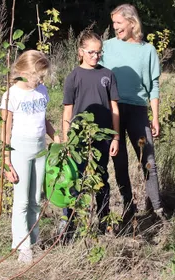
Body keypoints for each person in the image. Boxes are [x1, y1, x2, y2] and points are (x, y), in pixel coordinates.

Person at [101, 3, 164, 221]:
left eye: (119, 23)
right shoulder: (107, 47)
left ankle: (157, 209)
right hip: (114, 110)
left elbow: (153, 85)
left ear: (131, 22)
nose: (115, 27)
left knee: (148, 160)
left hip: (138, 109)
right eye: (113, 23)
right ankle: (128, 207)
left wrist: (155, 117)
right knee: (119, 161)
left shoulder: (147, 50)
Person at [1, 50, 58, 264]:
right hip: (20, 149)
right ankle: (22, 246)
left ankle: (33, 241)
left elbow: (44, 119)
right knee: (22, 200)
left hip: (40, 148)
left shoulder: (41, 91)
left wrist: (56, 137)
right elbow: (5, 128)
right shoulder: (11, 95)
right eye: (38, 76)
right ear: (24, 71)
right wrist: (7, 160)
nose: (41, 80)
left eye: (42, 76)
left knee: (36, 199)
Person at [60, 31, 121, 233]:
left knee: (102, 178)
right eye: (91, 52)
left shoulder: (108, 75)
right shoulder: (73, 77)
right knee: (74, 179)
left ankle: (104, 222)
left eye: (99, 52)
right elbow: (67, 111)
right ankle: (70, 224)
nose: (95, 56)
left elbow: (114, 109)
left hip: (102, 137)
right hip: (79, 137)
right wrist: (67, 140)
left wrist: (116, 136)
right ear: (81, 52)